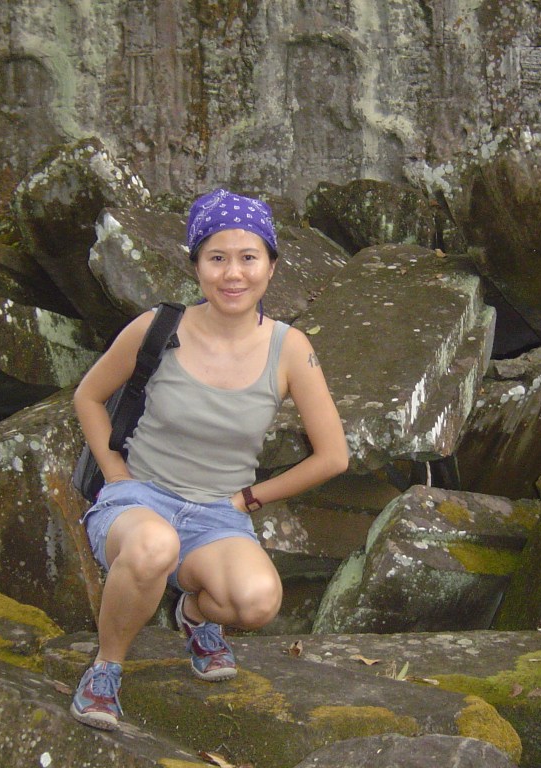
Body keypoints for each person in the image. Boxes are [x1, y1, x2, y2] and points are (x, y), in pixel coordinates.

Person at [69, 189, 349, 730]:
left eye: (248, 257)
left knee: (257, 601)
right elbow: (88, 395)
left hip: (218, 515)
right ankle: (106, 668)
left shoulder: (291, 349)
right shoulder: (159, 327)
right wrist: (115, 474)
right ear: (196, 263)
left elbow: (333, 455)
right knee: (154, 545)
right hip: (139, 502)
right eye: (216, 257)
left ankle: (193, 614)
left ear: (270, 264)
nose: (233, 274)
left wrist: (249, 497)